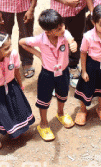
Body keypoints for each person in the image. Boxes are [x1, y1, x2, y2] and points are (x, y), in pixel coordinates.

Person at [20, 10, 78, 141]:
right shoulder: (40, 39)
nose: (62, 29)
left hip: (63, 72)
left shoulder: (64, 34)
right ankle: (43, 124)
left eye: (62, 25)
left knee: (63, 95)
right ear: (48, 32)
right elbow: (21, 42)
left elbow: (71, 39)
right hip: (47, 74)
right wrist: (38, 55)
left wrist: (73, 44)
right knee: (44, 100)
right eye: (58, 28)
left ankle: (60, 114)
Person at [0, 31, 36, 149]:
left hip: (12, 86)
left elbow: (16, 70)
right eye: (6, 48)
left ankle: (14, 130)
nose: (10, 49)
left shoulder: (13, 54)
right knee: (1, 116)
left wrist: (20, 86)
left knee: (18, 109)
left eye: (10, 45)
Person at [74, 4, 101, 126]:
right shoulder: (88, 36)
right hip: (91, 65)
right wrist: (83, 71)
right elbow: (83, 53)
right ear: (94, 22)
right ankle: (82, 110)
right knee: (86, 87)